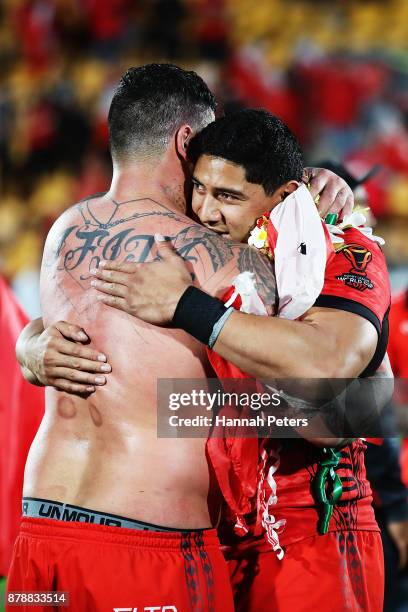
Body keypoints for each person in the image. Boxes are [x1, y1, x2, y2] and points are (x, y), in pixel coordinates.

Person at [9, 65, 353, 612]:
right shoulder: (229, 260)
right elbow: (330, 420)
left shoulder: (66, 230)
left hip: (41, 534)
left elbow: (70, 335)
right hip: (148, 543)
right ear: (187, 141)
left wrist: (29, 346)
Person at [85, 109, 392, 611]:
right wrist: (32, 346)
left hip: (312, 532)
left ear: (285, 194)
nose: (205, 210)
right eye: (199, 189)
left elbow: (327, 368)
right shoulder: (190, 249)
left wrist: (186, 306)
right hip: (207, 540)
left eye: (227, 196)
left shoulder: (343, 248)